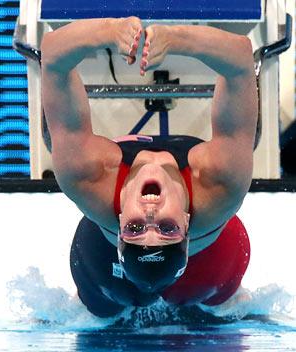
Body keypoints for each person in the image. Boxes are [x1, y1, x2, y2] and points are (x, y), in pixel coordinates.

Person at [41, 17, 258, 318]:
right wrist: (176, 38)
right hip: (210, 264)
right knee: (227, 312)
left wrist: (109, 32)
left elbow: (52, 56)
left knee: (97, 313)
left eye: (136, 227)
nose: (150, 214)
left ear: (119, 227)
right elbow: (240, 60)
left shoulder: (85, 176)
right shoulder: (220, 183)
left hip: (162, 268)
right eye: (166, 228)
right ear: (185, 225)